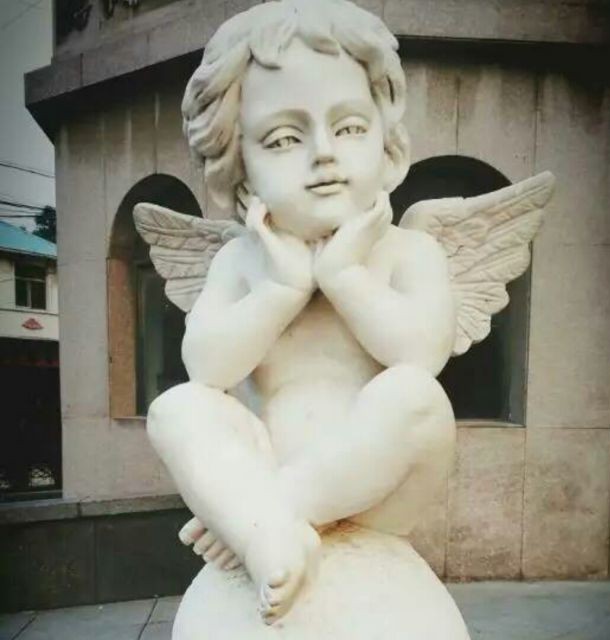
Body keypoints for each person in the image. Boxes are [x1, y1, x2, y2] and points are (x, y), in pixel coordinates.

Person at [147, 0, 457, 624]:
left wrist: (343, 275)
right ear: (241, 173)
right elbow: (206, 366)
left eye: (349, 128)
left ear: (389, 149)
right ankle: (271, 529)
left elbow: (421, 354)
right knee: (177, 407)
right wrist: (281, 288)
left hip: (380, 498)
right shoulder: (241, 263)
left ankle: (268, 520)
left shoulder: (409, 252)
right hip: (270, 455)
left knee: (414, 396)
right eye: (285, 139)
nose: (323, 153)